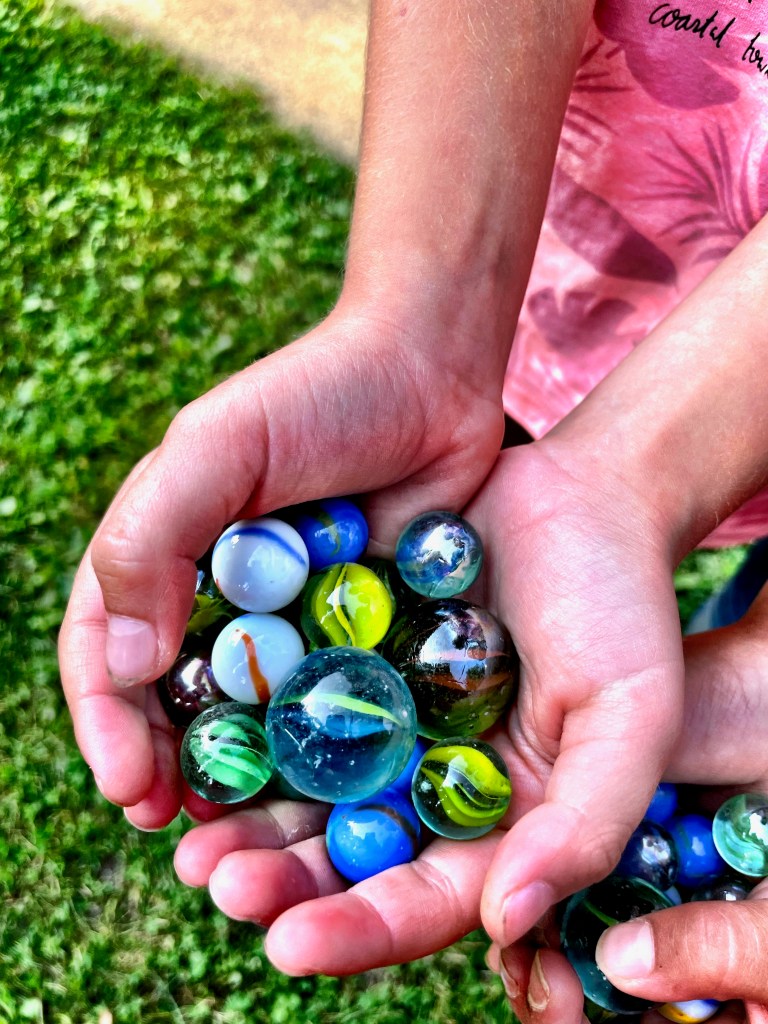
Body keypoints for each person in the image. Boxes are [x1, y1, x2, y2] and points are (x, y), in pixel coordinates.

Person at [58, 0, 768, 1020]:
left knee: (716, 655)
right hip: (557, 246)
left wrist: (639, 481)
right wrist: (420, 321)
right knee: (673, 670)